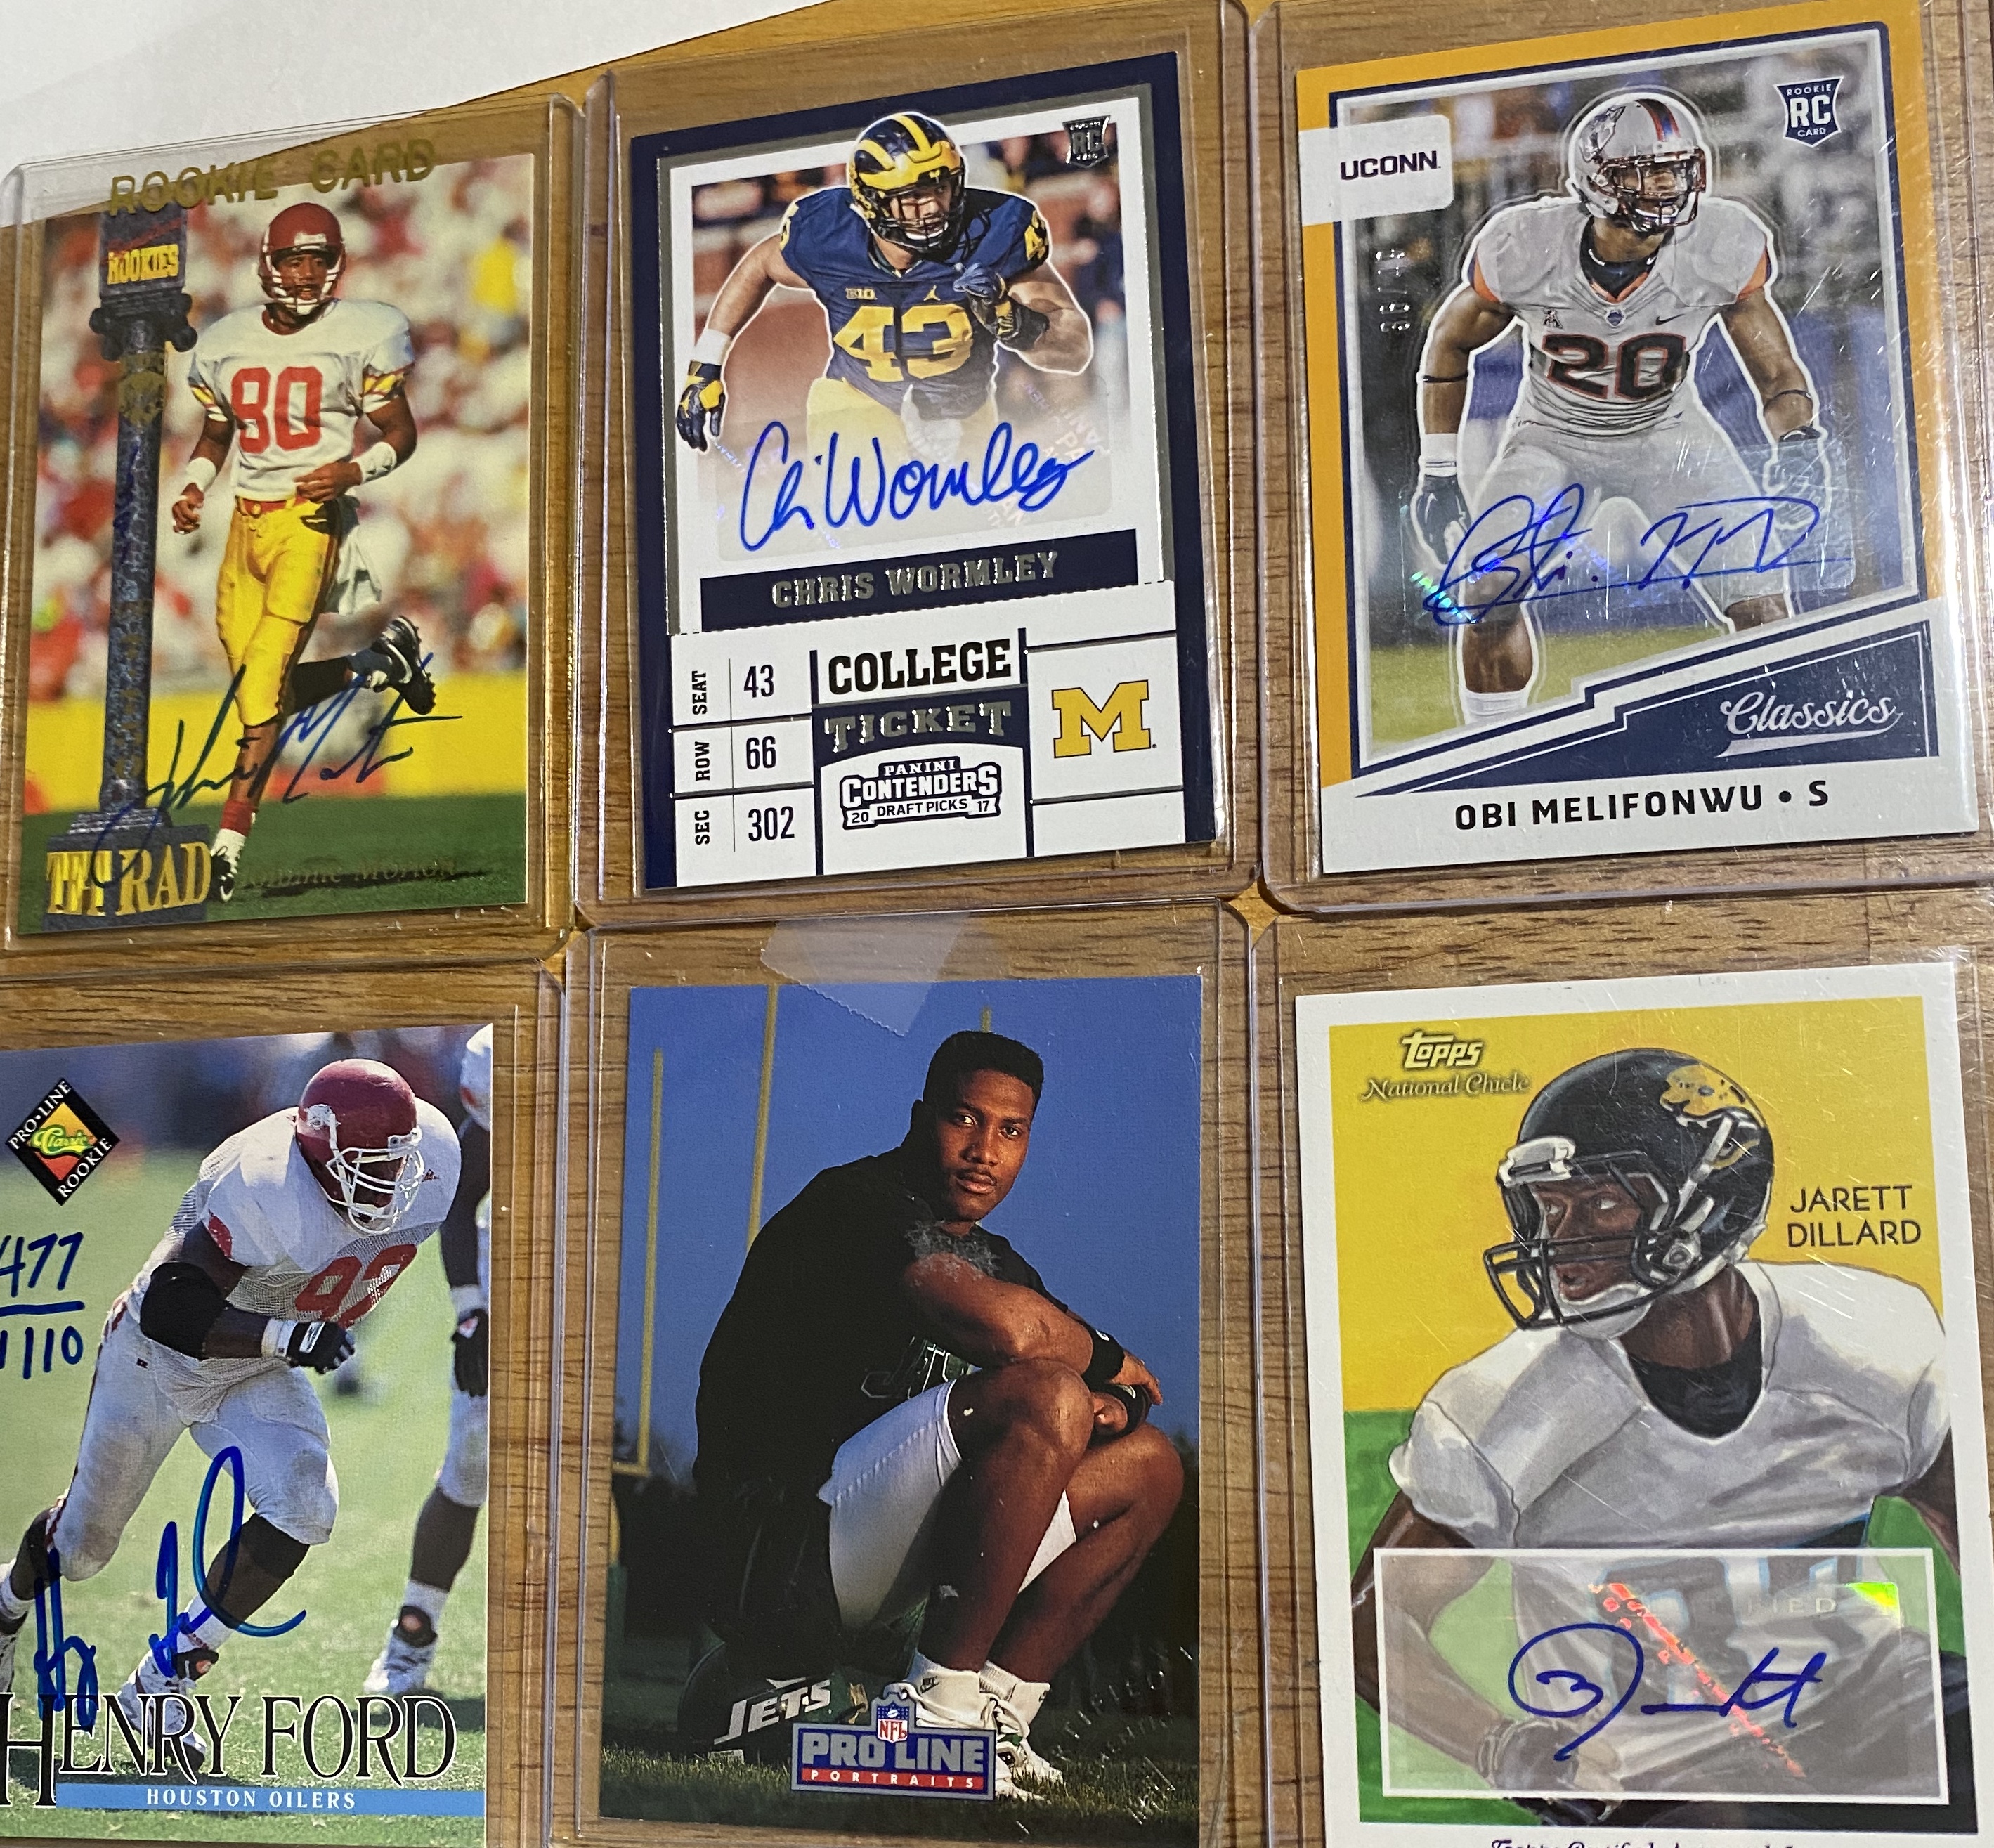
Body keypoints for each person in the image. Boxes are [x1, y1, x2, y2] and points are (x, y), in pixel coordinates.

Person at [1351, 1048, 1966, 1828]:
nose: (1560, 1242)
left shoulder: (1868, 1343)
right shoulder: (1508, 1409)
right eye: (1548, 1208)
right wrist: (1505, 1747)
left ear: (1712, 1203)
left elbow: (1969, 1526)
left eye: (1601, 1203)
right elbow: (1373, 1619)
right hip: (1660, 1755)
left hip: (1869, 1696)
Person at [693, 1029, 1182, 1797]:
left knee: (1151, 1468)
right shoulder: (855, 1204)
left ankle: (996, 1715)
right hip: (773, 1549)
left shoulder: (998, 1258)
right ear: (922, 1117)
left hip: (875, 1559)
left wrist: (1110, 1398)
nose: (984, 1151)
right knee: (1046, 1397)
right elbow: (1017, 1334)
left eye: (1010, 1131)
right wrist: (1099, 1365)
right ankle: (933, 1719)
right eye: (965, 1119)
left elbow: (1120, 1389)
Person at [0, 1059, 460, 1769]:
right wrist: (287, 1337)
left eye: (396, 1161)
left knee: (305, 1502)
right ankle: (7, 1603)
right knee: (83, 1549)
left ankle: (163, 1681)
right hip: (158, 1358)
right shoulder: (265, 1180)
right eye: (368, 1166)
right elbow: (170, 1307)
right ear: (320, 1150)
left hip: (256, 1365)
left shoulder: (434, 1155)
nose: (389, 1180)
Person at [1409, 93, 1830, 727]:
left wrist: (1799, 443)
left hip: (1668, 434)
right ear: (1597, 179)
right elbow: (1449, 342)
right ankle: (1491, 740)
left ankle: (1784, 744)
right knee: (1487, 590)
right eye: (1644, 171)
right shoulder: (1528, 244)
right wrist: (1438, 469)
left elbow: (1777, 372)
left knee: (1762, 603)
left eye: (1675, 169)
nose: (1666, 186)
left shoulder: (1720, 242)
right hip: (1551, 436)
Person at [169, 200, 437, 900]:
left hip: (308, 524)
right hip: (244, 528)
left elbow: (402, 433)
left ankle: (226, 848)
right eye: (295, 259)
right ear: (269, 265)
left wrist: (354, 470)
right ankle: (376, 664)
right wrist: (194, 486)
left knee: (260, 692)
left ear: (337, 264)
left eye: (319, 259)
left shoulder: (361, 332)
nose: (307, 273)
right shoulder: (226, 341)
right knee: (261, 692)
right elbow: (216, 433)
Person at [675, 113, 1093, 469]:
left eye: (940, 188)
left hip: (961, 412)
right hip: (857, 398)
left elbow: (1074, 351)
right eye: (913, 196)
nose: (933, 207)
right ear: (872, 202)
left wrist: (1017, 322)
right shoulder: (829, 235)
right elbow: (758, 266)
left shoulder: (996, 232)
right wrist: (705, 365)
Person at [365, 1025, 493, 1695]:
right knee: (471, 1456)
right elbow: (463, 1200)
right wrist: (471, 1310)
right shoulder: (497, 1070)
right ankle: (412, 1635)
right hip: (516, 1271)